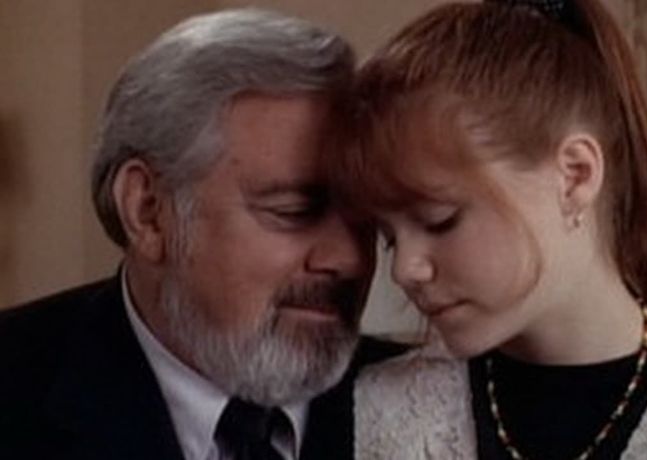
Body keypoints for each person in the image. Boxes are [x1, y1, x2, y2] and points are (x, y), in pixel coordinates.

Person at [332, 0, 647, 458]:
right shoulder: (373, 407)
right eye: (389, 237)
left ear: (575, 176)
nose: (404, 269)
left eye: (439, 220)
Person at [0, 8, 388, 460]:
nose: (350, 259)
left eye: (366, 215)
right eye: (294, 211)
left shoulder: (427, 403)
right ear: (148, 211)